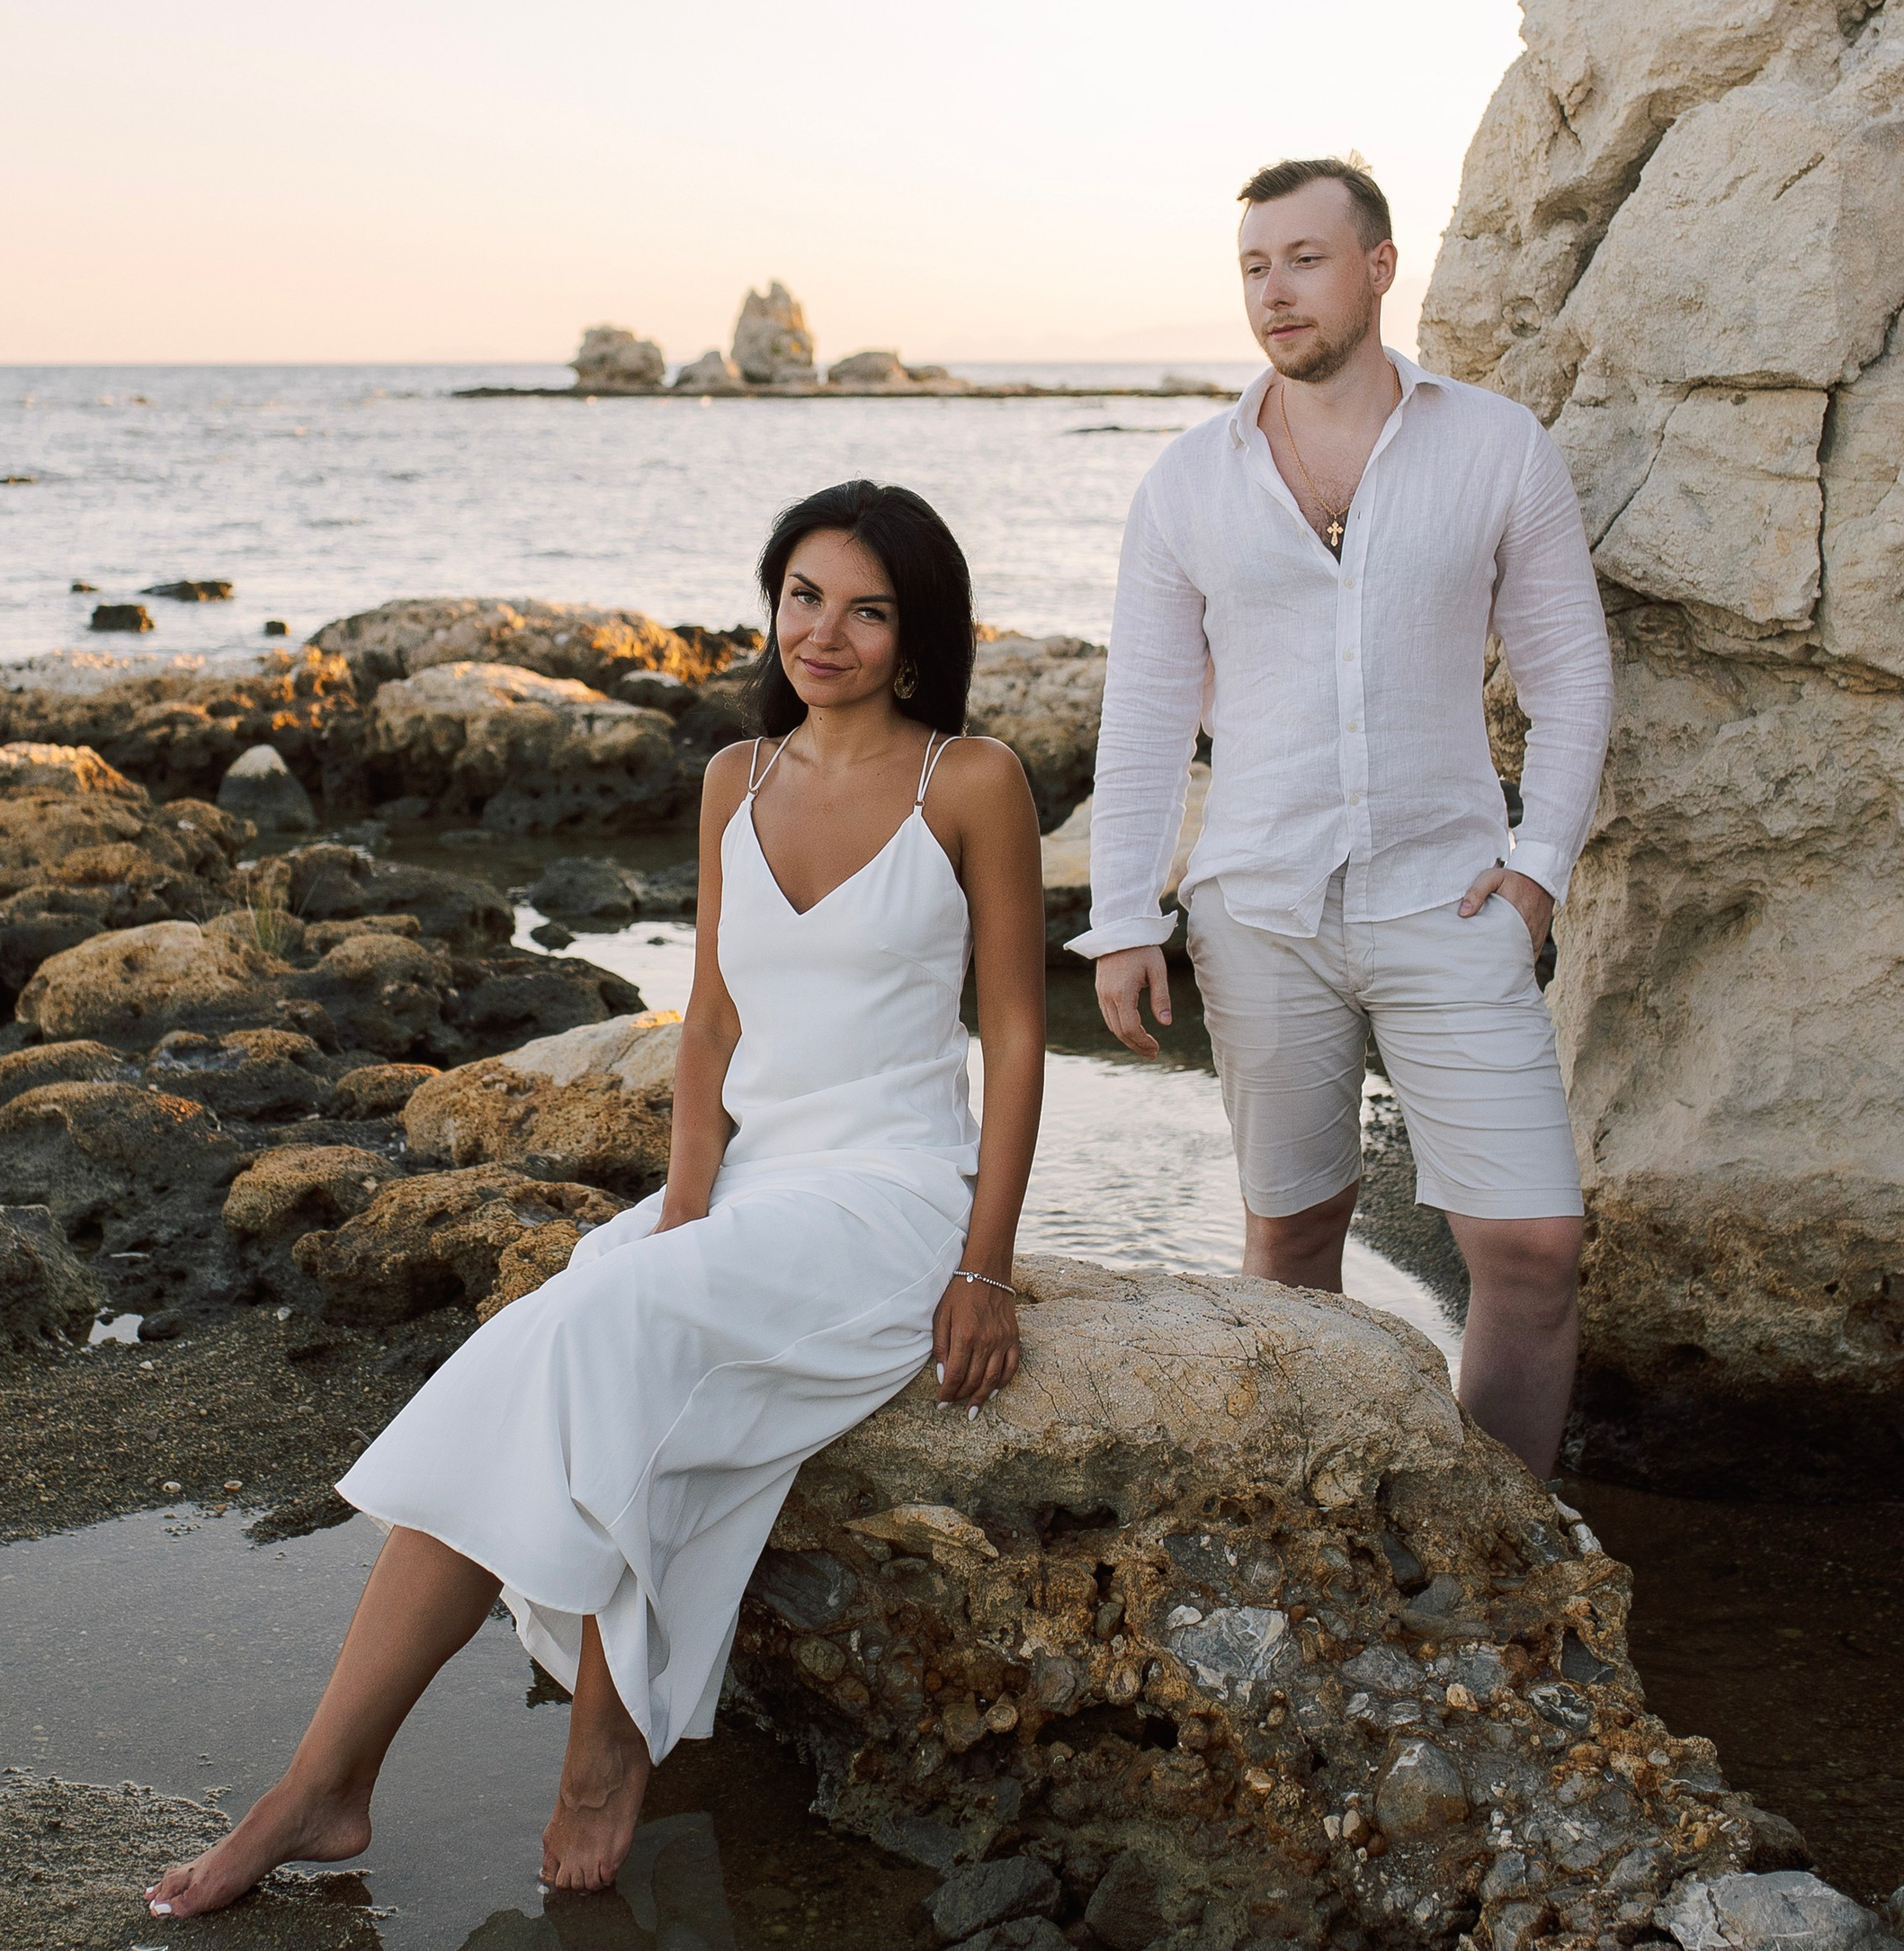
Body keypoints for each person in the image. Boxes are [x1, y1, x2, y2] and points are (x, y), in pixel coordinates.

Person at [147, 479, 1045, 1919]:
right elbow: (706, 1029)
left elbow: (1011, 1035)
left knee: (605, 1328)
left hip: (890, 1198)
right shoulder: (733, 780)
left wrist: (985, 1267)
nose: (826, 632)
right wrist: (683, 1209)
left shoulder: (974, 781)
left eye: (868, 610)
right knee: (522, 1358)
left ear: (917, 632)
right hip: (749, 1186)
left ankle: (601, 1741)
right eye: (804, 596)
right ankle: (322, 1780)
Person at [1070, 156, 1613, 1480]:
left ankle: (1501, 1554)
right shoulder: (1188, 484)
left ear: (1379, 268)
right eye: (1255, 267)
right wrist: (1124, 917)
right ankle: (1312, 1551)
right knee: (1294, 1240)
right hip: (1259, 910)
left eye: (1305, 260)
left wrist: (1539, 863)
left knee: (1534, 1252)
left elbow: (1569, 672)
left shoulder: (1494, 445)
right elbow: (1143, 715)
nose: (1275, 292)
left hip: (1454, 898)